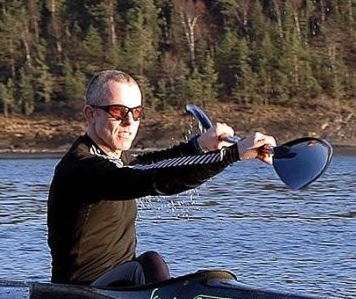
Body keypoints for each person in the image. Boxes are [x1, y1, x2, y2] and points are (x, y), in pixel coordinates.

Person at [47, 69, 276, 287]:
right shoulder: (80, 168)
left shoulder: (116, 159)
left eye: (136, 113)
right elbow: (152, 178)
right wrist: (231, 155)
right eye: (118, 112)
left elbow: (152, 165)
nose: (129, 122)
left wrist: (200, 146)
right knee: (151, 263)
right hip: (80, 295)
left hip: (118, 289)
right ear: (90, 114)